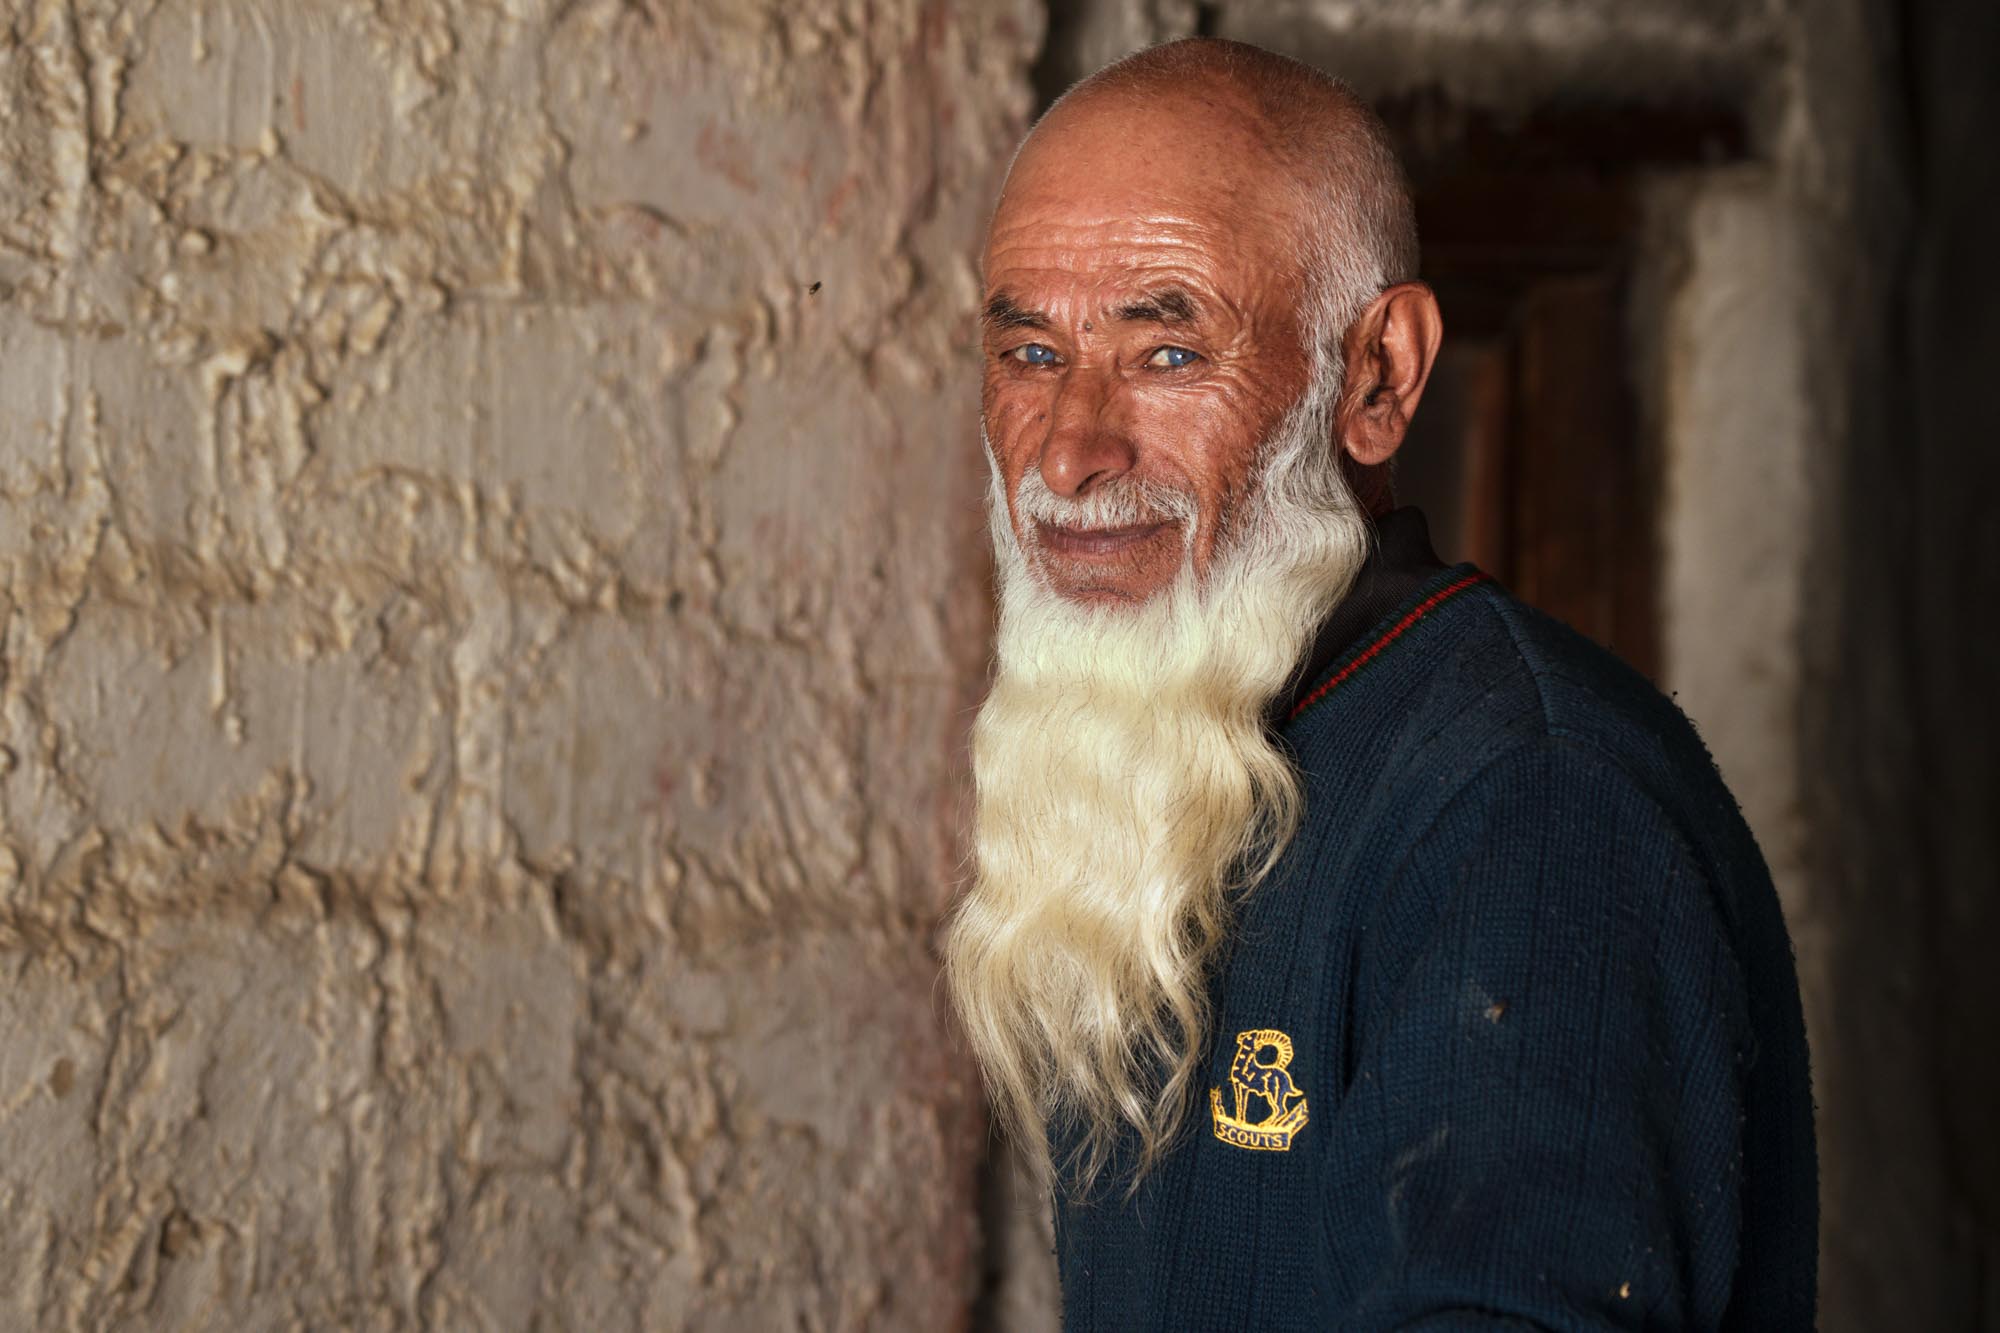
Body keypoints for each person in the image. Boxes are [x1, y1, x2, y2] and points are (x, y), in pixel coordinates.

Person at [940, 37, 1817, 1330]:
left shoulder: (1532, 802)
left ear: (1379, 376)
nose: (1067, 453)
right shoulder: (1163, 763)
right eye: (1028, 353)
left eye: (1167, 354)